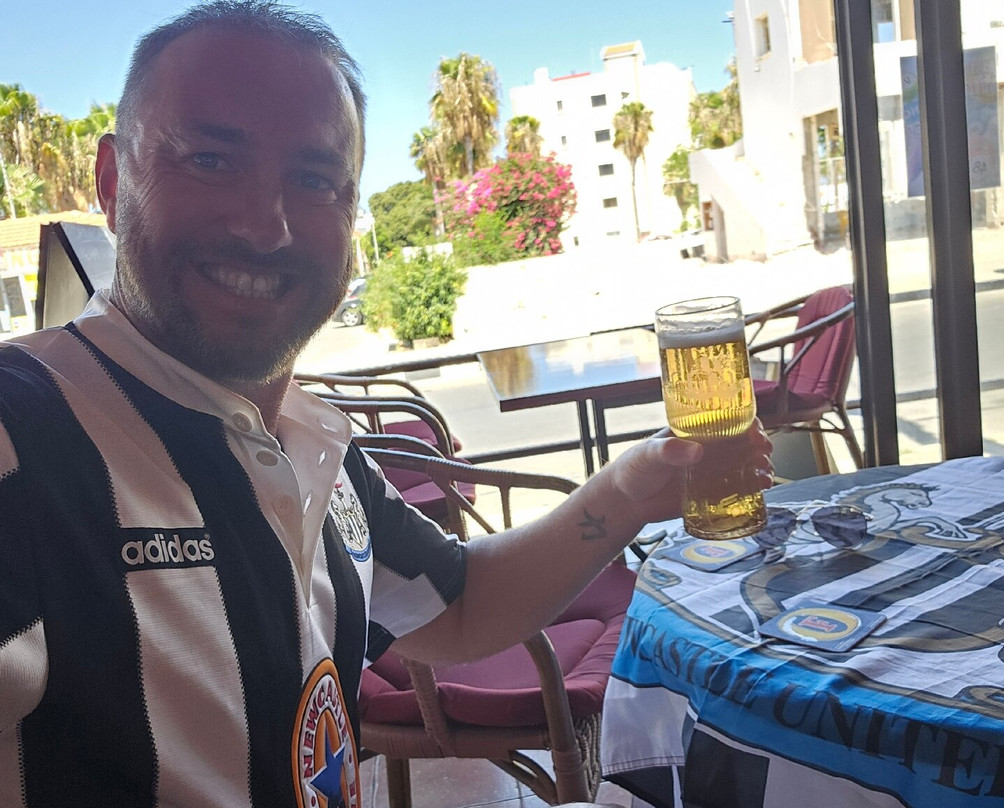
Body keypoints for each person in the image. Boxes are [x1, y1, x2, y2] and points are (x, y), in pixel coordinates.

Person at [0, 2, 773, 806]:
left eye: (314, 180)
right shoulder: (21, 440)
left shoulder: (314, 449)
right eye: (210, 160)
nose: (267, 227)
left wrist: (631, 490)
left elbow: (460, 606)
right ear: (112, 180)